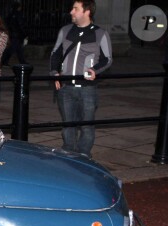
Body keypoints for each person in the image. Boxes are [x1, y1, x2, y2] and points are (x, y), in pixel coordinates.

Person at [50, 0, 112, 157]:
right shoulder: (65, 30)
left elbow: (107, 59)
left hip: (87, 89)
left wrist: (94, 70)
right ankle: (68, 152)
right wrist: (55, 73)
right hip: (65, 87)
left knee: (87, 125)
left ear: (87, 11)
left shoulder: (100, 34)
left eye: (75, 9)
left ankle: (84, 155)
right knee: (68, 124)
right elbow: (56, 54)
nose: (71, 12)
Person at [1, 1, 28, 66]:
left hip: (12, 34)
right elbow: (20, 25)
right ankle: (3, 61)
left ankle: (21, 61)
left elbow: (7, 23)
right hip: (16, 34)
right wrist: (24, 34)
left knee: (17, 49)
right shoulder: (18, 14)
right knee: (12, 49)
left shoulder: (10, 14)